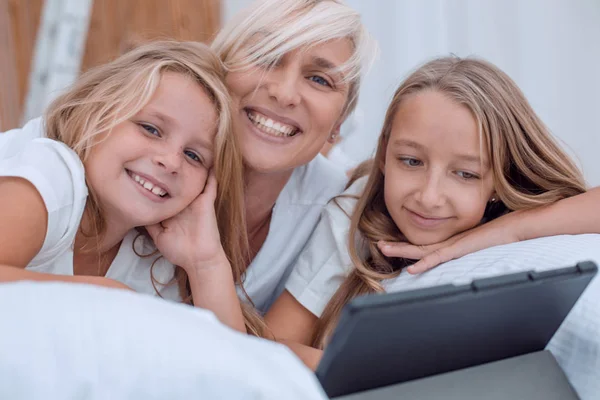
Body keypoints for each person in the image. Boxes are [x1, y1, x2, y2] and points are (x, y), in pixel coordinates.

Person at [265, 56, 600, 368]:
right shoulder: (357, 212)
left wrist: (505, 231)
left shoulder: (514, 213)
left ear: (500, 178)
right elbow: (272, 343)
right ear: (384, 153)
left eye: (465, 174)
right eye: (411, 161)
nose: (428, 197)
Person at [0, 41, 262, 334]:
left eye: (194, 156)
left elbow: (229, 362)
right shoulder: (51, 175)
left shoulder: (153, 257)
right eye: (151, 129)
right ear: (94, 113)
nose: (171, 161)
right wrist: (106, 294)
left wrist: (206, 264)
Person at [210, 0, 377, 313]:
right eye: (266, 57)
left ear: (338, 124)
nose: (284, 94)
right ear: (219, 67)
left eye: (319, 79)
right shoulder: (151, 166)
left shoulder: (339, 205)